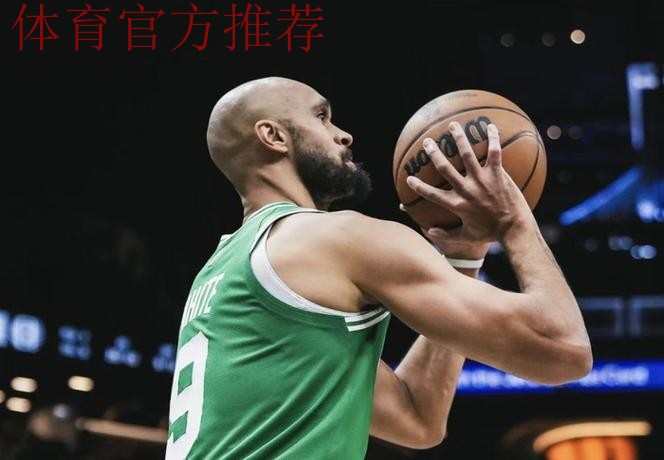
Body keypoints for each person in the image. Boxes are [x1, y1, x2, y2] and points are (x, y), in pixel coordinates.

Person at [165, 76, 593, 460]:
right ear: (273, 136)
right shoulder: (335, 238)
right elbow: (564, 351)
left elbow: (416, 418)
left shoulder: (220, 270)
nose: (343, 134)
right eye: (321, 117)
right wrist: (514, 222)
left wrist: (463, 256)